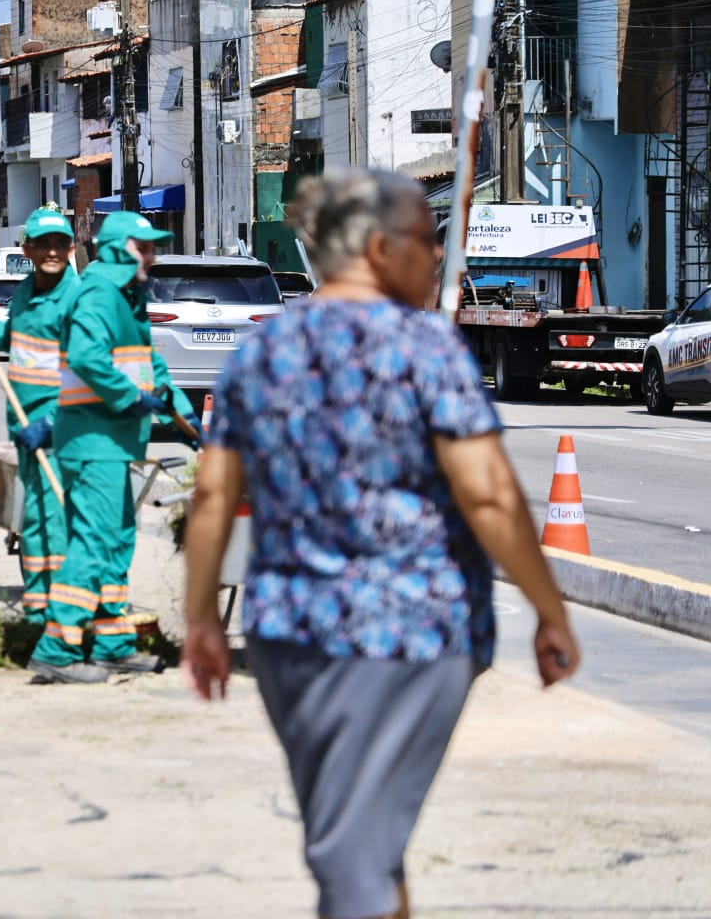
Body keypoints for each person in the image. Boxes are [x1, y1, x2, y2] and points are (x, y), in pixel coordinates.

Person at [182, 167, 581, 919]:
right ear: (375, 246)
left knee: (360, 843)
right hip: (412, 636)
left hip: (287, 635)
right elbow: (490, 494)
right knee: (356, 856)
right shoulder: (425, 347)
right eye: (427, 241)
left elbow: (212, 497)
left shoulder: (260, 353)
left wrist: (203, 616)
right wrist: (549, 610)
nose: (437, 258)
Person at [29, 210, 197, 685]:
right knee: (95, 543)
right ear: (122, 249)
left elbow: (150, 366)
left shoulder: (128, 297)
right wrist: (130, 398)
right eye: (145, 248)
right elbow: (86, 358)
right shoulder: (101, 292)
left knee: (118, 542)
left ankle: (113, 645)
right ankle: (57, 649)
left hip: (113, 440)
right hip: (92, 438)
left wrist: (180, 414)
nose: (153, 256)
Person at [0, 206, 80, 624]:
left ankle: (58, 605)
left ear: (72, 247)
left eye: (60, 243)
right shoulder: (25, 292)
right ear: (27, 249)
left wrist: (54, 424)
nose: (52, 251)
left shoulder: (77, 299)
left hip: (58, 428)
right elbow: (10, 340)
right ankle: (37, 601)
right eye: (43, 244)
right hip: (23, 422)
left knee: (53, 516)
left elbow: (88, 372)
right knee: (31, 514)